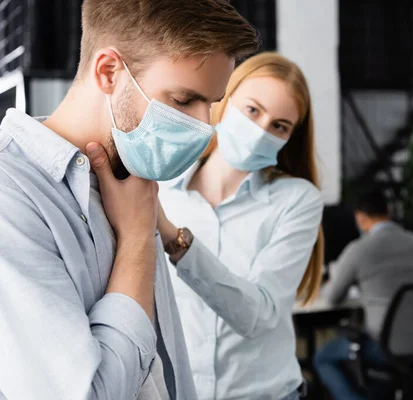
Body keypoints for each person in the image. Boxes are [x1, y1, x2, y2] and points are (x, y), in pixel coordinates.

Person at [0, 1, 258, 399]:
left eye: (211, 103)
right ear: (108, 71)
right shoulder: (11, 197)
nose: (205, 126)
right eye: (183, 99)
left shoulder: (134, 177)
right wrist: (137, 239)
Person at [157, 52, 324, 400]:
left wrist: (176, 240)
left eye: (279, 125)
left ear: (289, 138)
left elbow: (258, 316)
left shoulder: (296, 200)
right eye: (253, 110)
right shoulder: (161, 188)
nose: (260, 130)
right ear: (225, 100)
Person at [314, 189, 413, 400]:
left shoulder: (360, 249)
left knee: (323, 357)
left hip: (383, 346)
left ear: (360, 218)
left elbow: (332, 297)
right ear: (389, 212)